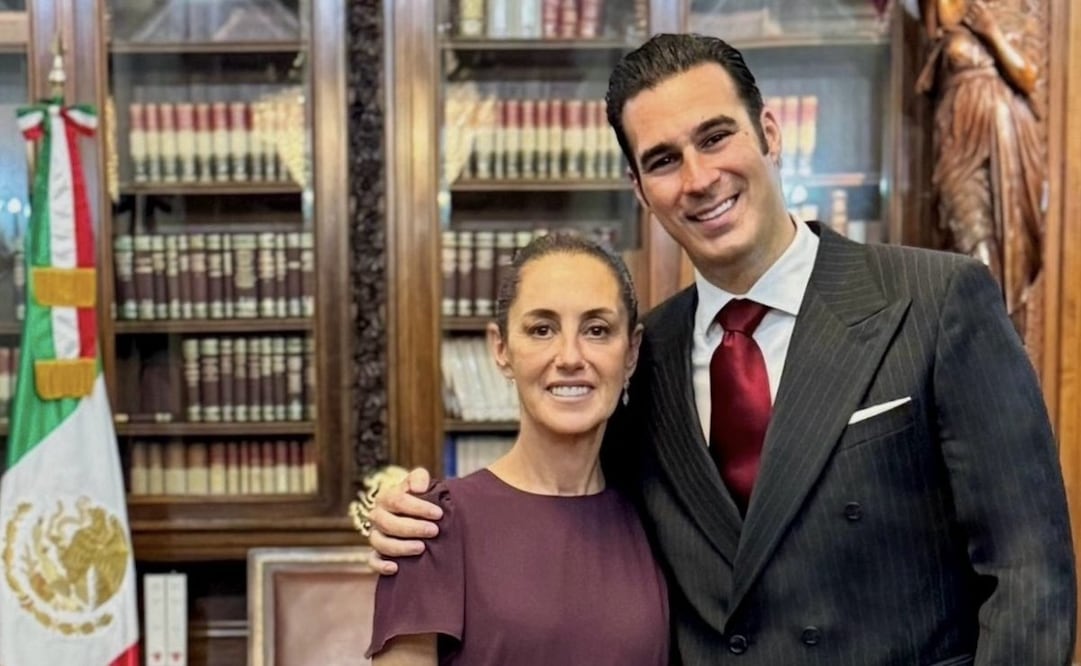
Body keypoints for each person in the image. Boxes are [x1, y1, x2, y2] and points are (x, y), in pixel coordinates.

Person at [368, 33, 1076, 665]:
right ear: (639, 190)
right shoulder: (642, 357)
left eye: (715, 137)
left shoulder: (937, 300)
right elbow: (560, 504)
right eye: (663, 160)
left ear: (768, 132)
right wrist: (394, 509)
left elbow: (1028, 574)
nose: (699, 178)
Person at [366, 233, 670, 665]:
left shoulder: (657, 519)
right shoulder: (431, 523)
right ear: (502, 349)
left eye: (597, 330)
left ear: (632, 351)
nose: (569, 356)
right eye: (541, 329)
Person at [915, 0, 1046, 359]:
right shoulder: (944, 12)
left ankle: (998, 359)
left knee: (1003, 252)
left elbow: (1029, 75)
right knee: (969, 244)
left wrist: (990, 31)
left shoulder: (1020, 12)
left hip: (1004, 136)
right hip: (957, 136)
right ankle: (981, 361)